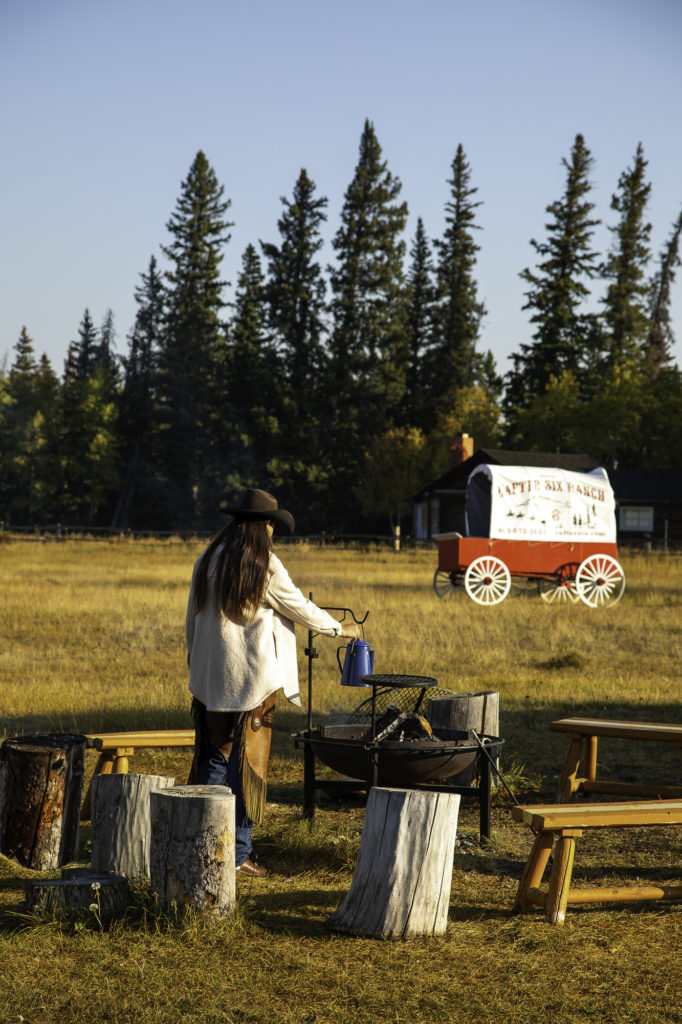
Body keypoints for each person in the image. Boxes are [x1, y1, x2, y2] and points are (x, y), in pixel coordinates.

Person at [185, 488, 360, 877]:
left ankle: (203, 844)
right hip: (254, 682)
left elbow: (191, 617)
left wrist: (194, 660)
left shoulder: (206, 558)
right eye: (270, 524)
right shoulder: (264, 564)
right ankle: (237, 854)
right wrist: (339, 628)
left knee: (215, 757)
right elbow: (297, 606)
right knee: (249, 765)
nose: (272, 531)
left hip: (211, 678)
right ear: (260, 526)